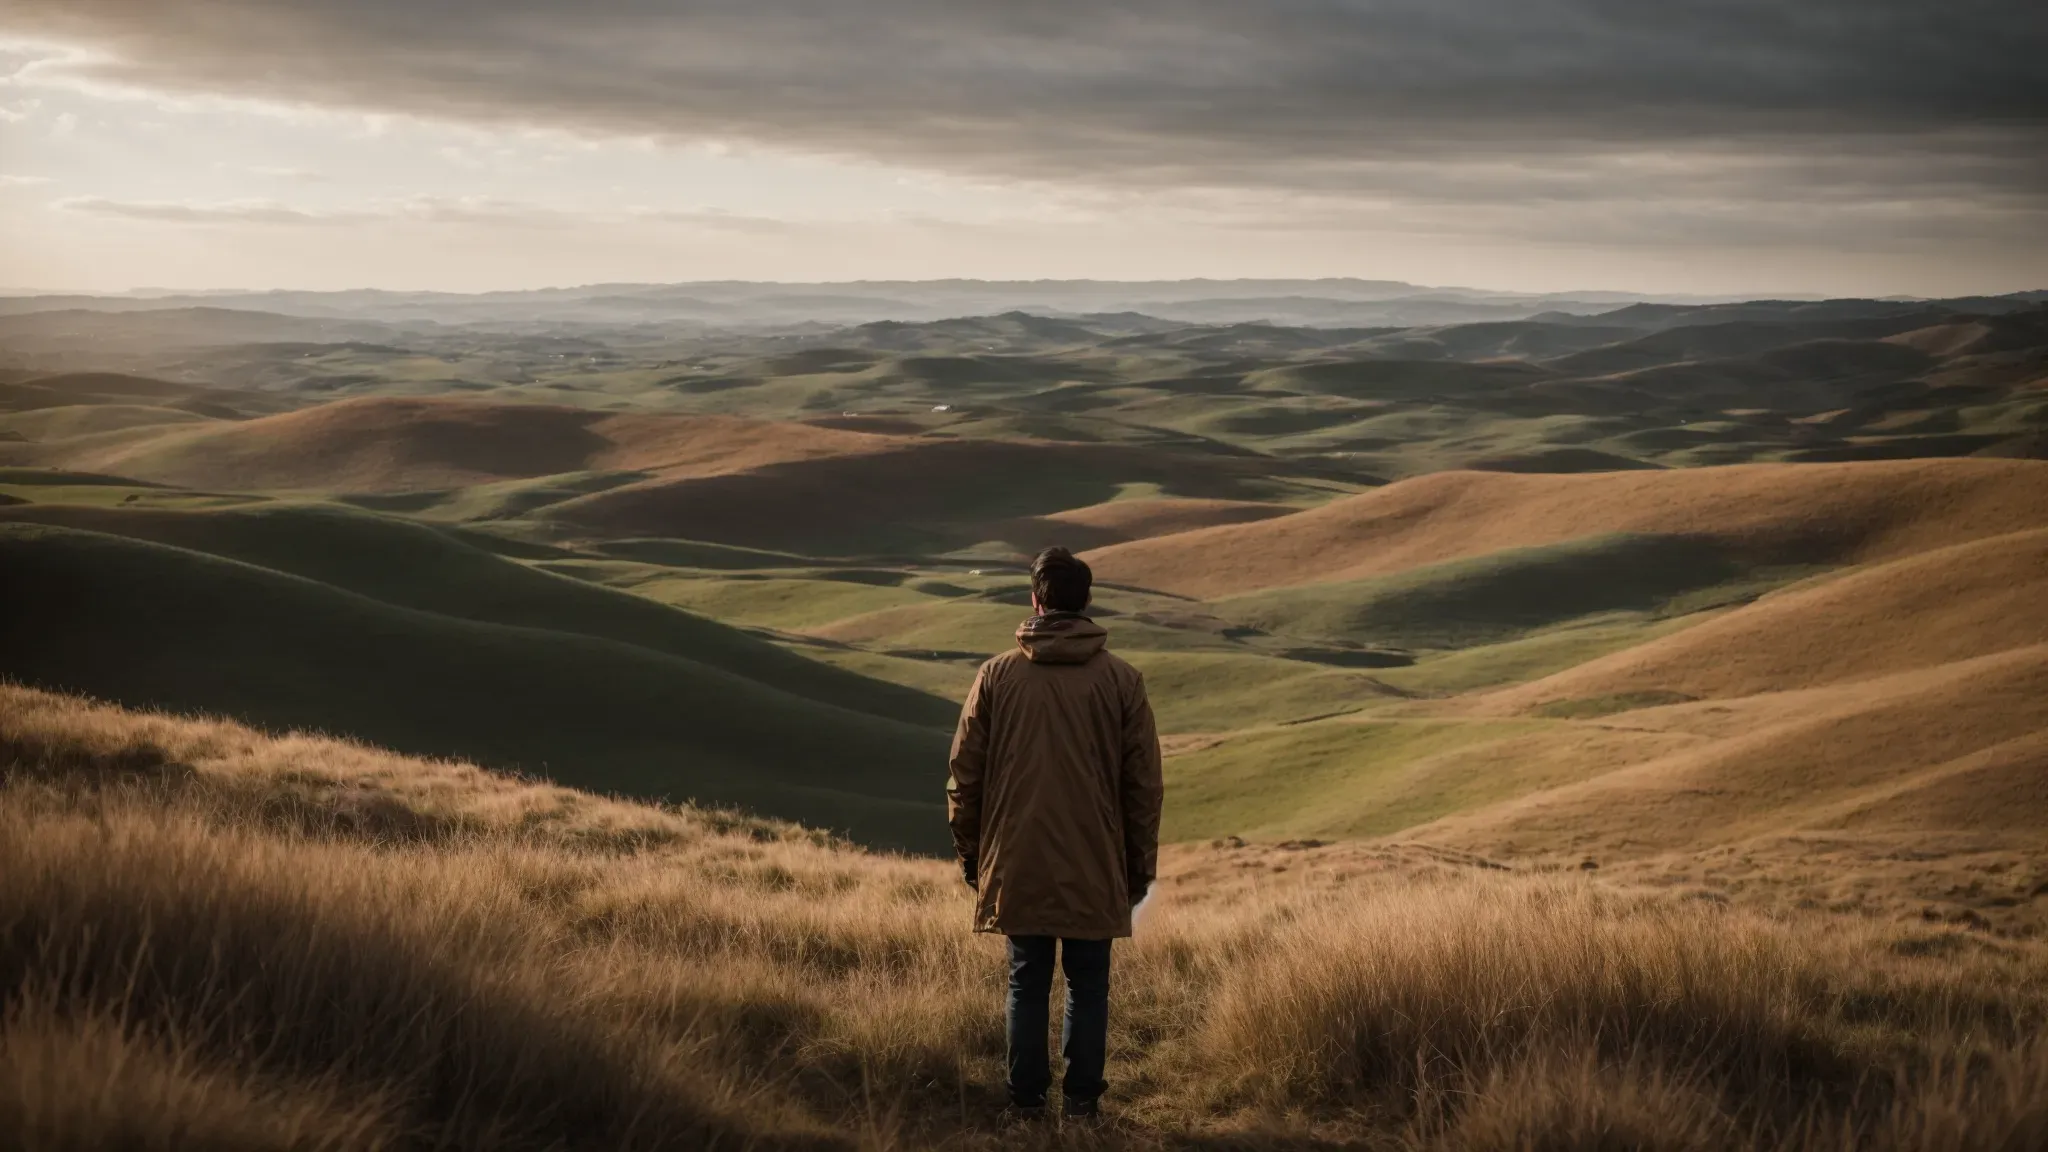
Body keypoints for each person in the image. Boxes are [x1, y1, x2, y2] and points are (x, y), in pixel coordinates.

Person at [945, 546, 1165, 1123]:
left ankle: (1025, 1103)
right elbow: (1144, 787)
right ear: (1086, 602)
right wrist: (1139, 867)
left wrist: (973, 856)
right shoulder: (1121, 680)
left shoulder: (996, 677)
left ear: (1035, 600)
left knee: (1026, 982)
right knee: (1088, 985)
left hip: (1017, 860)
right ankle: (1083, 1102)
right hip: (1097, 861)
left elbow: (964, 779)